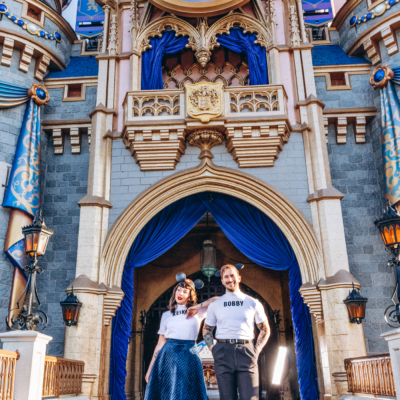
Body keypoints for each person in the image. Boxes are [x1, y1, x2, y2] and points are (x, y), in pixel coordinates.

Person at [203, 264, 270, 400]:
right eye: (225, 277)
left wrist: (256, 351)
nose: (229, 279)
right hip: (222, 352)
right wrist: (213, 348)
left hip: (246, 351)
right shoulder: (215, 305)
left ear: (239, 278)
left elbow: (264, 329)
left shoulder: (253, 302)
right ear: (222, 281)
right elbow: (207, 329)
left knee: (251, 398)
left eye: (232, 275)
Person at [144, 278, 218, 400]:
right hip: (168, 355)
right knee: (168, 392)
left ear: (190, 295)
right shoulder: (166, 315)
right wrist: (151, 368)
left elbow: (217, 299)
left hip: (189, 354)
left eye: (185, 291)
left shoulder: (198, 313)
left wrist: (198, 307)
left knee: (189, 392)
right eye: (178, 290)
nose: (180, 293)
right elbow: (160, 343)